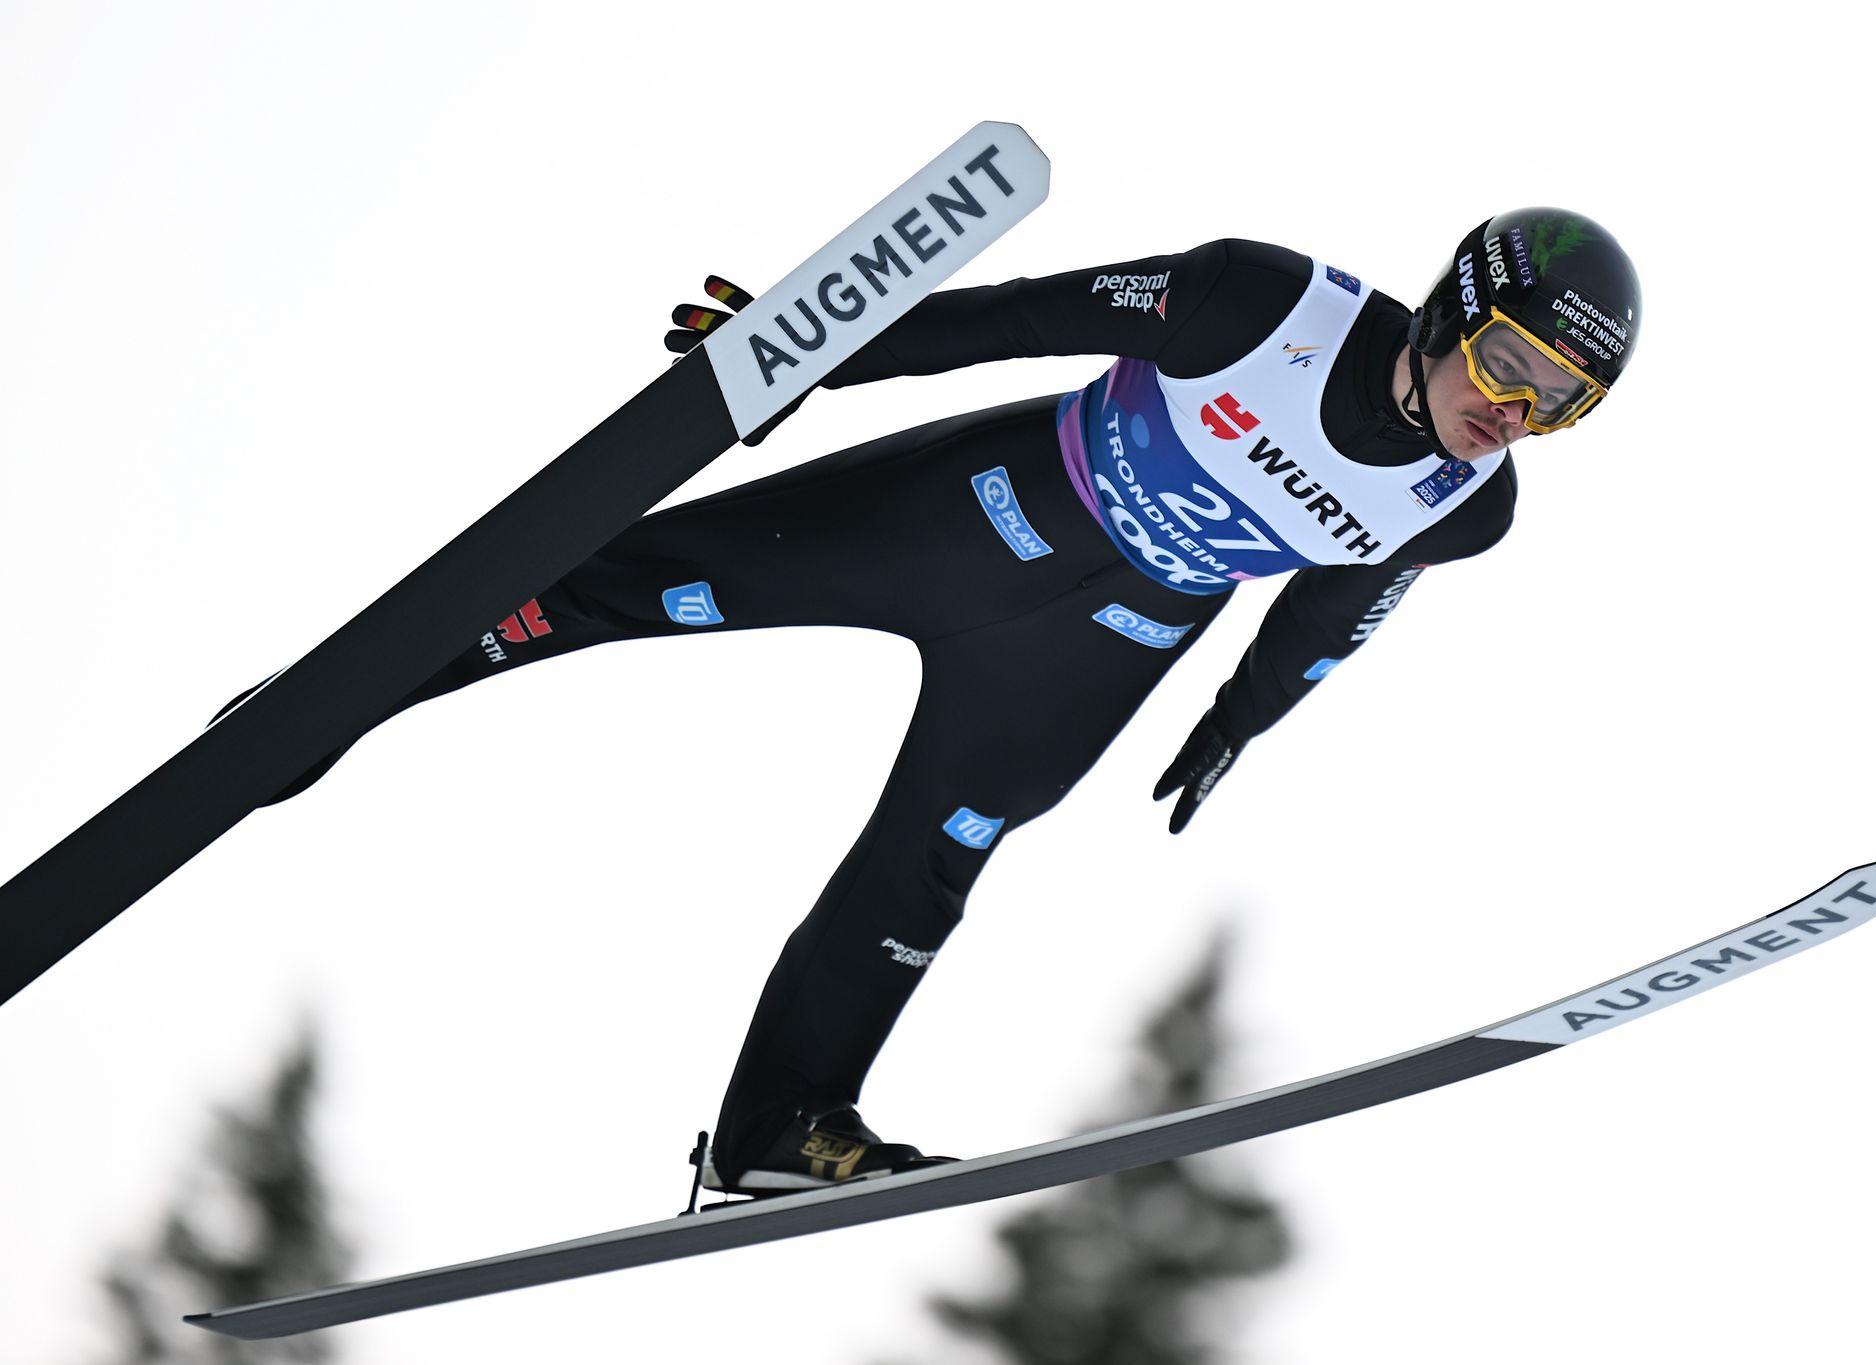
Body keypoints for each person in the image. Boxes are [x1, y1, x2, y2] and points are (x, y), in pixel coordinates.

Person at [212, 208, 1641, 1195]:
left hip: (1096, 649)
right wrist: (798, 351)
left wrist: (1243, 716)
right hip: (979, 511)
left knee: (931, 864)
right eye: (1512, 363)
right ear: (1459, 307)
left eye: (1559, 402)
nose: (1513, 411)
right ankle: (319, 709)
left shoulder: (1468, 507)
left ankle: (780, 1123)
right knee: (624, 582)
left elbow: (1338, 603)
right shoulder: (1261, 302)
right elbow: (1016, 319)